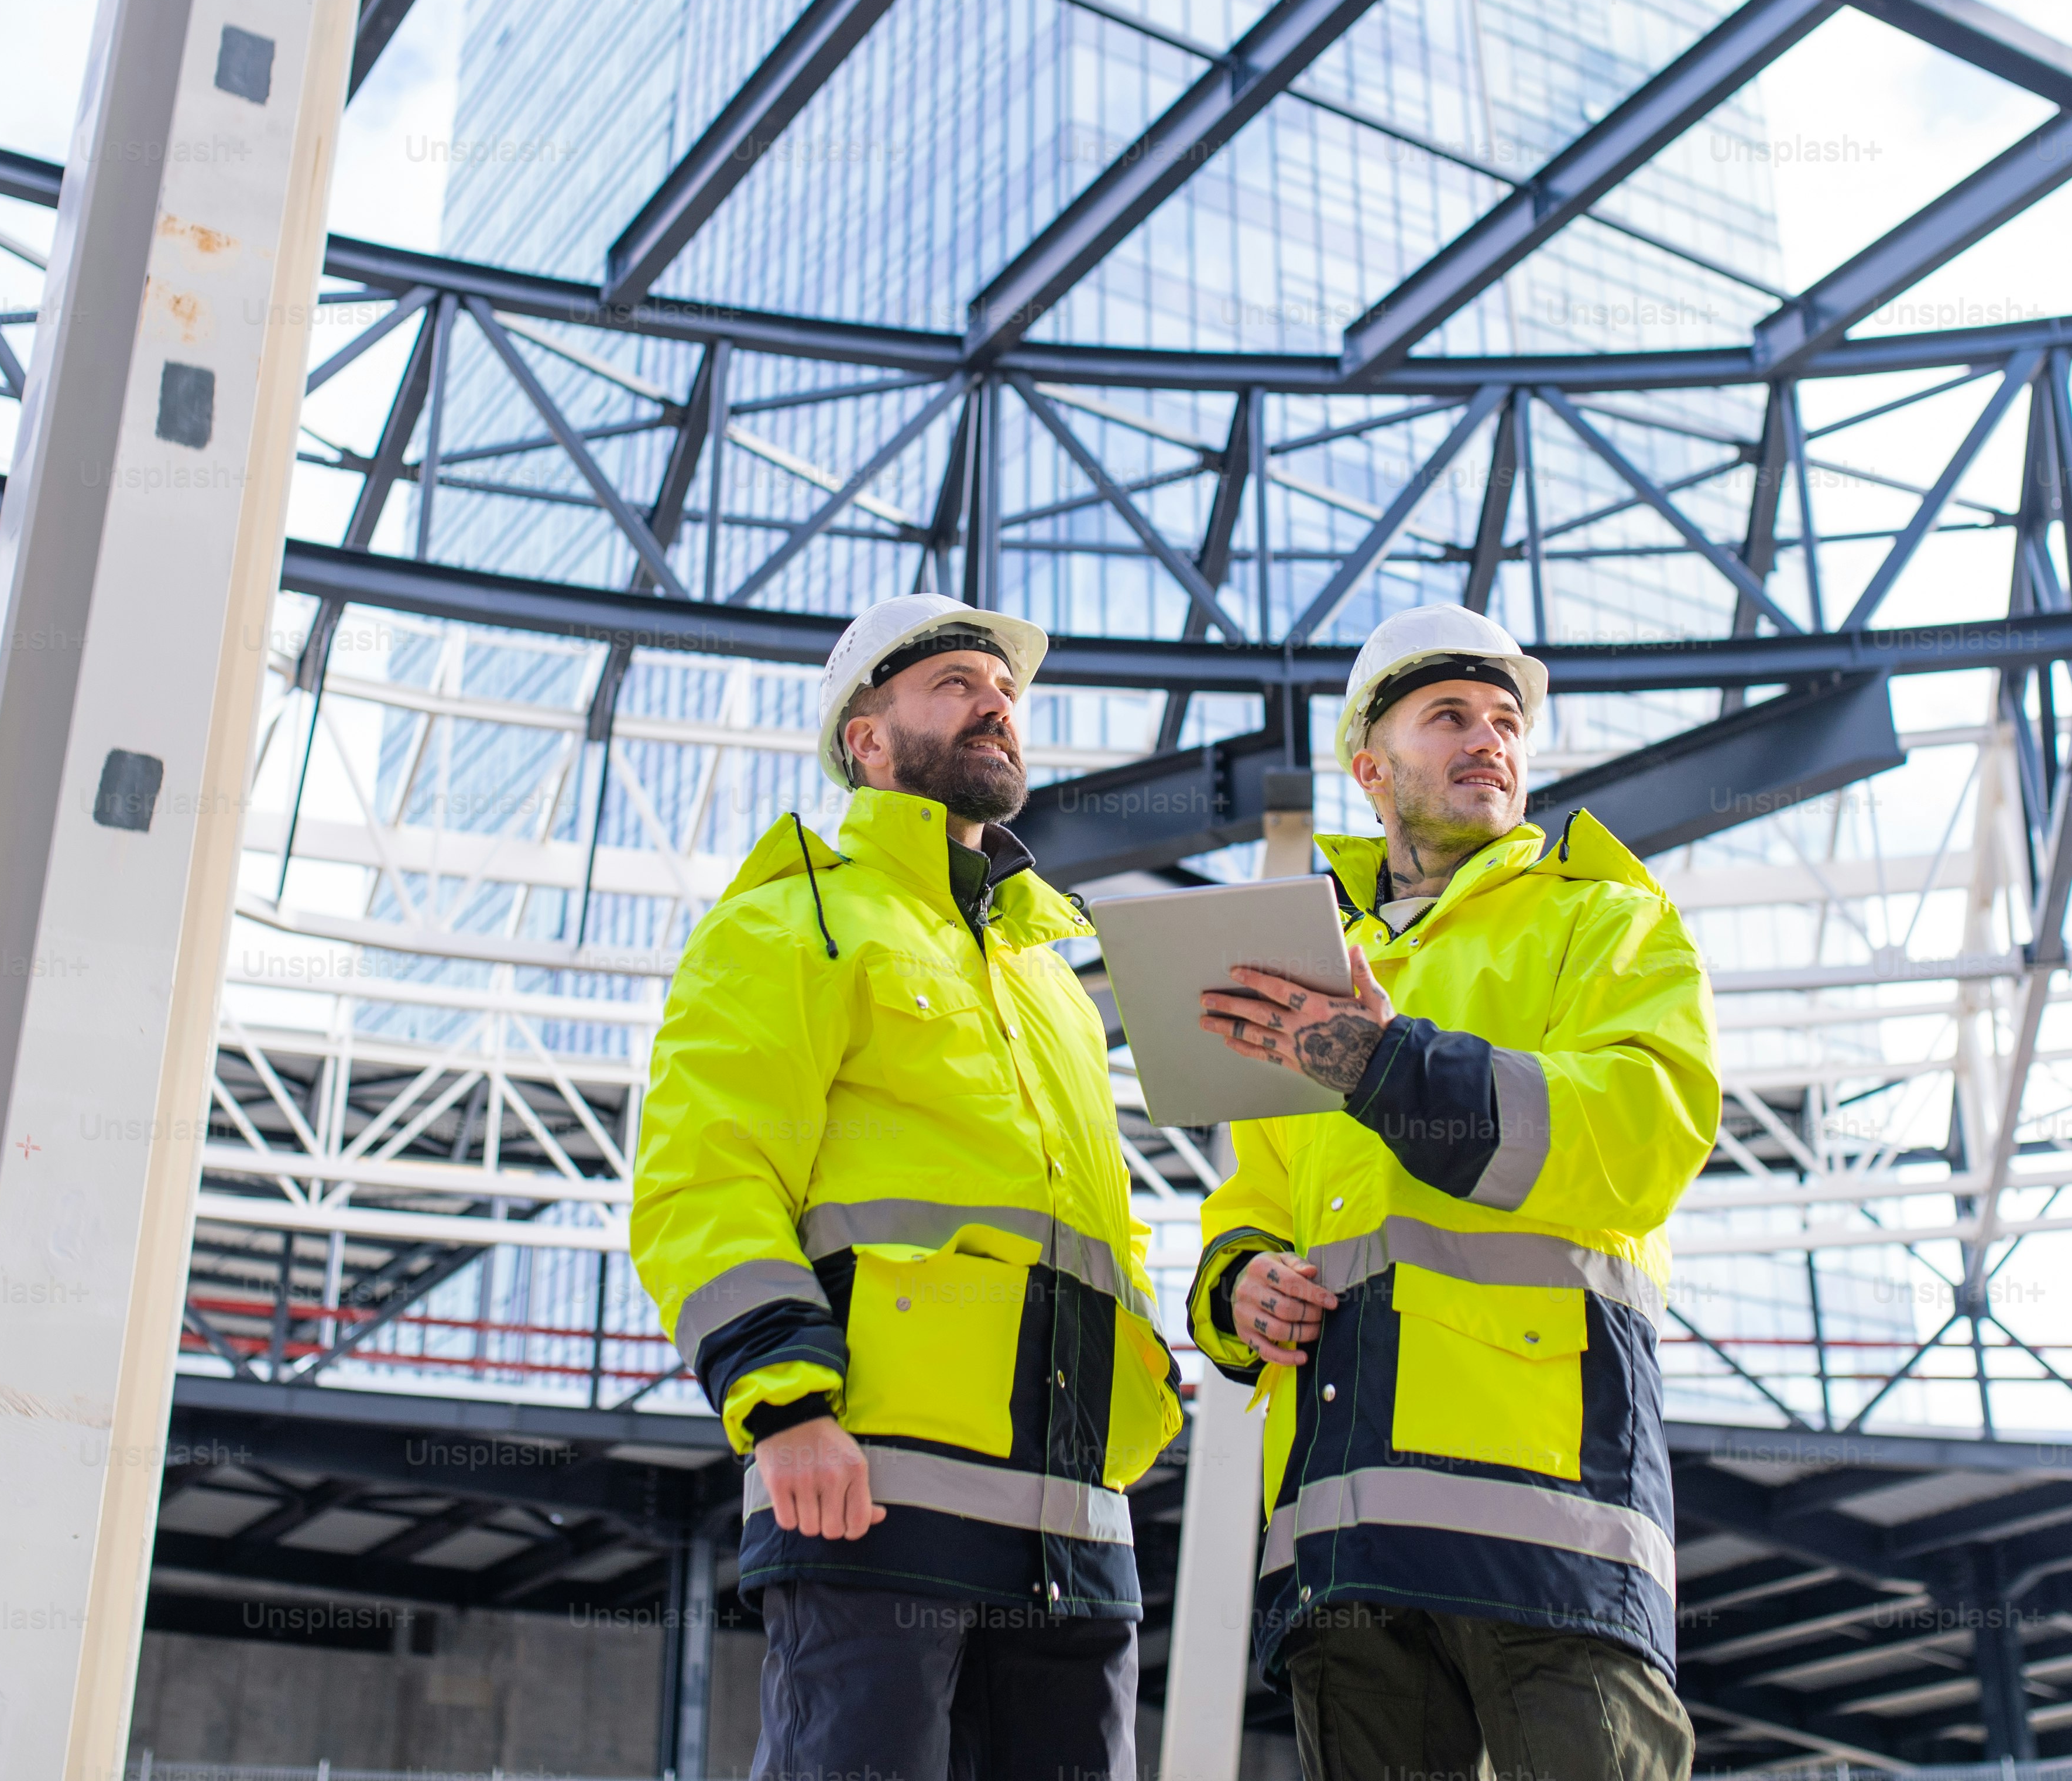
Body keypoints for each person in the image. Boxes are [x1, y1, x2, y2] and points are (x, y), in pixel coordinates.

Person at [630, 594, 1180, 1781]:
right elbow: (703, 1173)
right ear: (867, 741)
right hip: (871, 1487)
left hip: (1075, 1518)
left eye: (1007, 690)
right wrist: (783, 1404)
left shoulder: (1048, 976)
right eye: (955, 685)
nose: (996, 704)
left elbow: (1091, 1219)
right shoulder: (795, 921)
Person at [1186, 602, 1721, 1781]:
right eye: (1451, 716)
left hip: (1549, 1514)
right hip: (1342, 1536)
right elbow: (1253, 1202)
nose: (1491, 739)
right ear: (1373, 769)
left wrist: (1389, 1063)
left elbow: (1644, 1136)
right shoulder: (1313, 968)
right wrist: (1240, 1291)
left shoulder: (1604, 918)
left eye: (1505, 720)